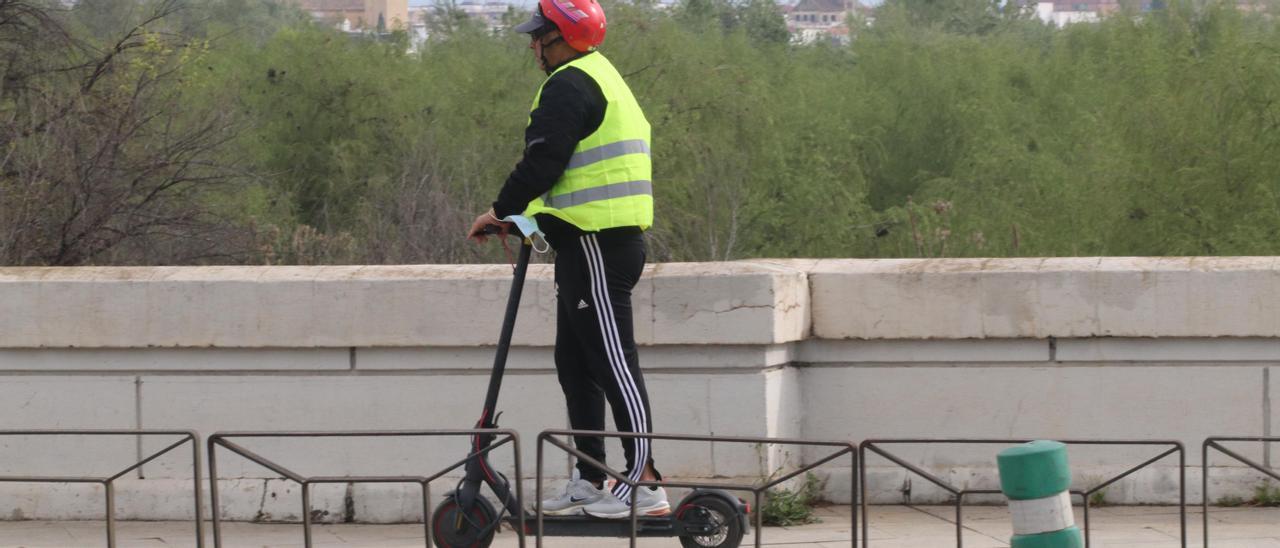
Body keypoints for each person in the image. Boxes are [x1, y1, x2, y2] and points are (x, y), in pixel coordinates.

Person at [465, 0, 666, 520]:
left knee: (612, 362)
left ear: (564, 39)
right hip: (585, 241)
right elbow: (571, 172)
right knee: (576, 363)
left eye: (540, 36)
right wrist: (521, 220)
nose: (533, 44)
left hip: (600, 242)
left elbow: (544, 162)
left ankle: (644, 483)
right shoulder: (598, 76)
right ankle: (590, 478)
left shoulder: (569, 84)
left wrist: (499, 209)